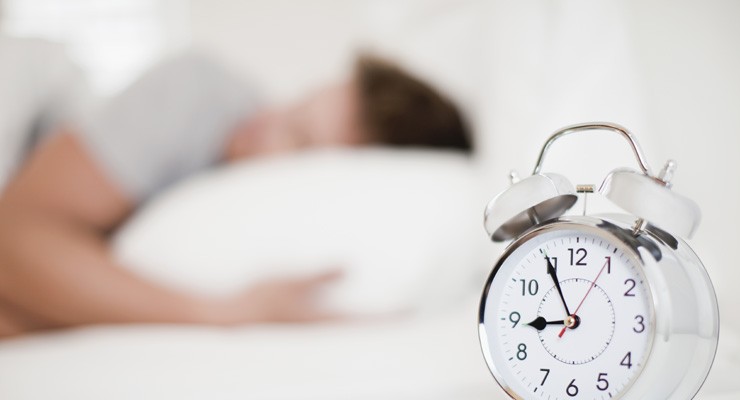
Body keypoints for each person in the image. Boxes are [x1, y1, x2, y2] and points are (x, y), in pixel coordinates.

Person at [0, 49, 472, 337]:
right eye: (296, 105)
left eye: (299, 137)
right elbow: (12, 240)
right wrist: (218, 314)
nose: (265, 122)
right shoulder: (195, 91)